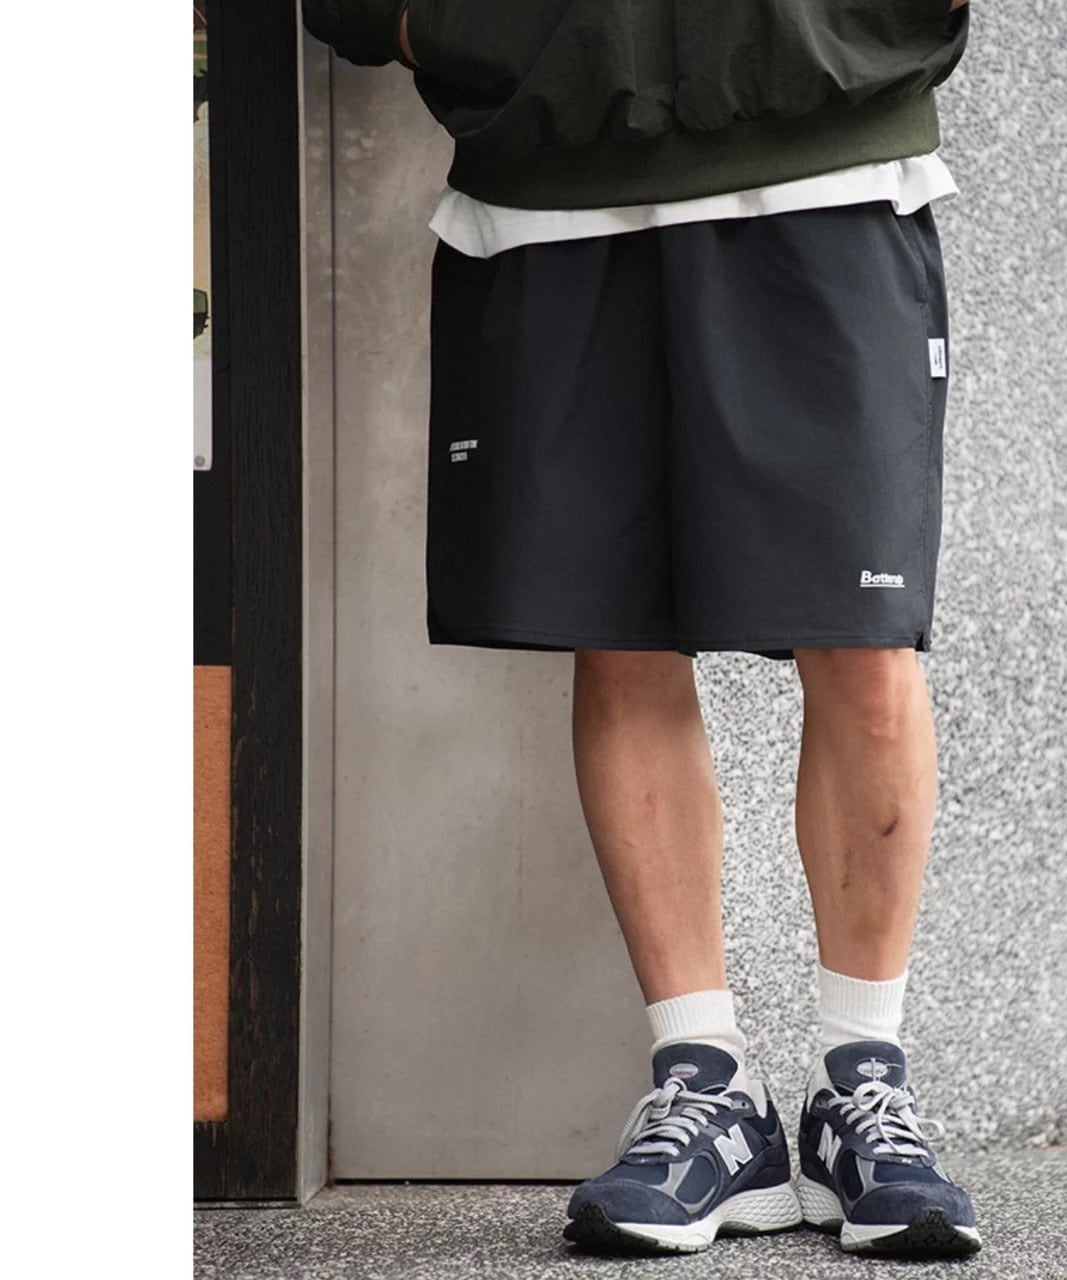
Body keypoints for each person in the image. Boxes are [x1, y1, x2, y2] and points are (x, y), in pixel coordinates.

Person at [303, 0, 977, 1259]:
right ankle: (705, 1083)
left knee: (862, 640)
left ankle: (861, 1078)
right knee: (615, 640)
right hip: (547, 184)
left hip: (823, 162)